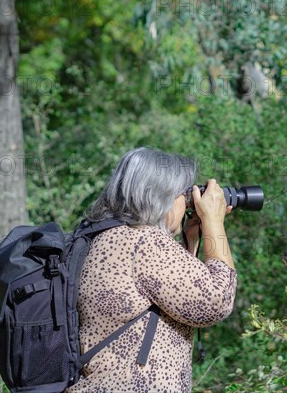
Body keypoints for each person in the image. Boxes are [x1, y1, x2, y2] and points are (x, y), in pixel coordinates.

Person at [65, 147, 237, 392]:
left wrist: (192, 238)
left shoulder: (102, 236)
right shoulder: (144, 240)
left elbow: (172, 299)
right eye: (184, 194)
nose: (187, 202)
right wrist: (213, 221)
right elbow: (217, 301)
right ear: (162, 196)